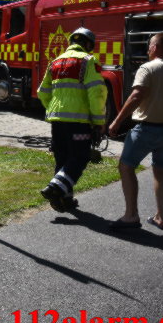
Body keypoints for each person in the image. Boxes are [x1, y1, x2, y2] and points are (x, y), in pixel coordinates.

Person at [107, 33, 163, 230]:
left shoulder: (147, 68)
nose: (147, 50)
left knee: (126, 167)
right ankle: (161, 218)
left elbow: (137, 95)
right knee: (160, 171)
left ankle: (130, 216)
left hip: (147, 129)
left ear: (155, 47)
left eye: (149, 46)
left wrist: (116, 122)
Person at [38, 27, 108, 212]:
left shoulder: (55, 62)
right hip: (78, 122)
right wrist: (99, 120)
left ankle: (63, 200)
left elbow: (42, 92)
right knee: (80, 156)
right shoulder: (88, 60)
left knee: (62, 158)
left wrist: (54, 109)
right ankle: (55, 188)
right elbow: (97, 92)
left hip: (57, 120)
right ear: (87, 44)